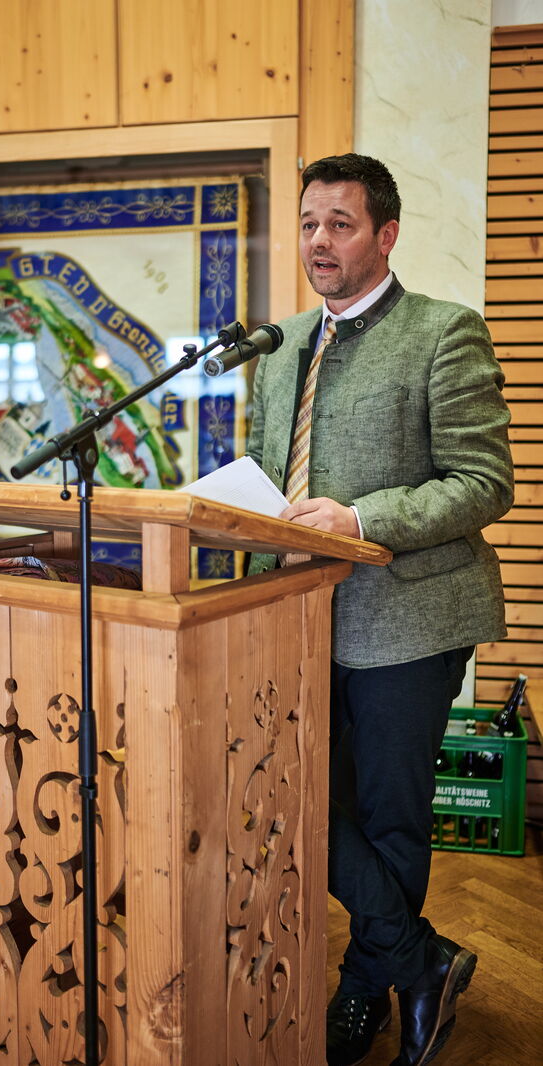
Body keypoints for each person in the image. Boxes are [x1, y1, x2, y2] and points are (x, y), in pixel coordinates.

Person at [246, 154, 514, 1066]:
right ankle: (420, 961)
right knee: (291, 797)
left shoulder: (444, 331)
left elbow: (482, 482)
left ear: (385, 234)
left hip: (406, 618)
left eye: (340, 223)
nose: (318, 241)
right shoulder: (280, 345)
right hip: (291, 618)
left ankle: (366, 985)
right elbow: (270, 476)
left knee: (389, 817)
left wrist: (361, 519)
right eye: (308, 223)